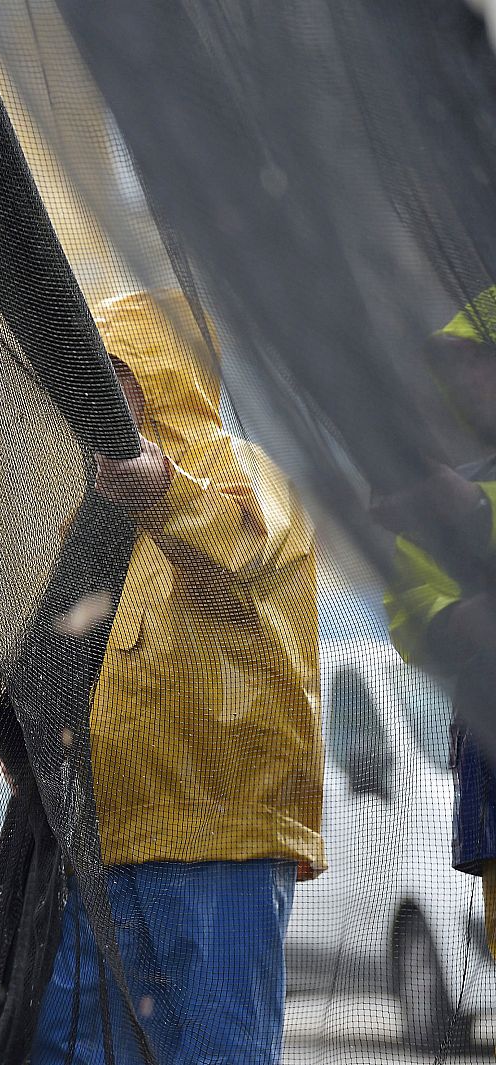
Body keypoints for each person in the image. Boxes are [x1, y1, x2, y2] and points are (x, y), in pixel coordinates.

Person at [31, 290, 324, 1065]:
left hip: (219, 833)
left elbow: (241, 559)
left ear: (160, 372)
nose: (93, 392)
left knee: (221, 1050)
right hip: (116, 839)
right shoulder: (99, 509)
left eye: (114, 370)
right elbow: (64, 643)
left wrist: (164, 491)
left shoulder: (240, 473)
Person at [375, 289, 496, 957]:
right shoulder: (452, 483)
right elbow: (407, 606)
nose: (470, 379)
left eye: (484, 359)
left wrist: (472, 509)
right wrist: (457, 621)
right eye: (461, 364)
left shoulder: (462, 489)